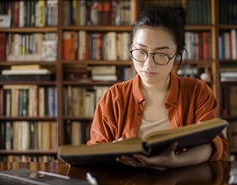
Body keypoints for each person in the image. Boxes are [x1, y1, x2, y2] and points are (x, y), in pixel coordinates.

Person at [87, 5, 228, 170]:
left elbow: (212, 145)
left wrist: (175, 161)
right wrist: (112, 151)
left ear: (177, 54)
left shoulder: (197, 92)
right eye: (140, 52)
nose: (148, 64)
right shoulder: (114, 97)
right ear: (131, 48)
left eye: (161, 55)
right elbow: (94, 152)